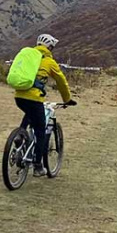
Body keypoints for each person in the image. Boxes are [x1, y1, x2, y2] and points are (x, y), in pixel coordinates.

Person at [15, 33, 76, 177]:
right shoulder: (49, 62)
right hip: (34, 98)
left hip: (19, 96)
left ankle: (20, 134)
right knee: (41, 130)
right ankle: (38, 166)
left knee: (29, 113)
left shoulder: (28, 56)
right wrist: (67, 99)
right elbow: (61, 81)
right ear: (49, 47)